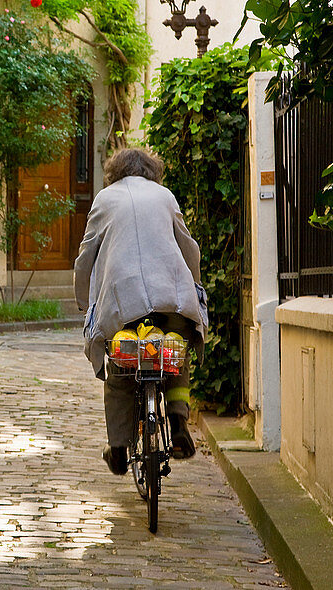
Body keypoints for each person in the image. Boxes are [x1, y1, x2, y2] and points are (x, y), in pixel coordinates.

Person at [73, 147, 207, 474]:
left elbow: (85, 258)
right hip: (170, 295)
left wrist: (83, 299)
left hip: (123, 302)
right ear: (152, 170)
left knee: (120, 368)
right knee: (174, 352)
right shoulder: (165, 196)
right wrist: (195, 286)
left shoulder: (104, 200)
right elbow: (188, 248)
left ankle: (118, 447)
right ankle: (177, 420)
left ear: (114, 171)